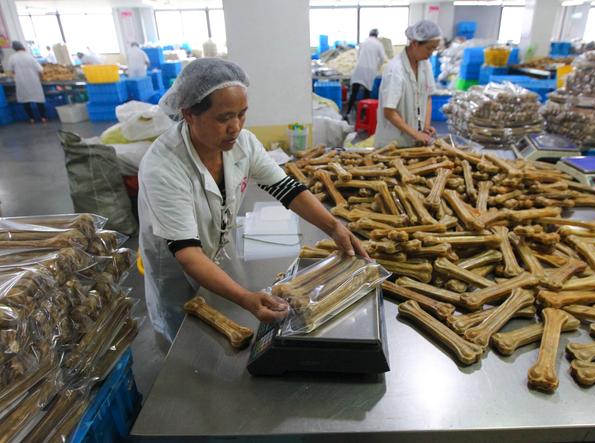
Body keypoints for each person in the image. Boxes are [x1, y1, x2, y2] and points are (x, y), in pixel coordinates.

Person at [138, 58, 367, 342]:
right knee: (187, 345)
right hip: (176, 273)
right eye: (224, 118)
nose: (235, 127)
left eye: (242, 114)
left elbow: (287, 189)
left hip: (212, 254)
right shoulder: (163, 167)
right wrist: (246, 298)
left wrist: (334, 227)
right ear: (189, 114)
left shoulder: (242, 144)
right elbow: (187, 254)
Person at [374, 20, 441, 148]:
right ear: (415, 43)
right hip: (394, 142)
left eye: (434, 49)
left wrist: (425, 127)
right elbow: (389, 112)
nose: (431, 53)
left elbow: (427, 97)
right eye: (428, 48)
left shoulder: (425, 64)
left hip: (414, 140)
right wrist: (416, 134)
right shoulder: (395, 70)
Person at [344, 29, 387, 121]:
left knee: (354, 93)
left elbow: (358, 55)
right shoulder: (378, 44)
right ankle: (363, 115)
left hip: (359, 69)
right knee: (366, 94)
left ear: (369, 34)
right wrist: (377, 66)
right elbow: (383, 58)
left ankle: (347, 113)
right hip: (370, 70)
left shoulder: (363, 43)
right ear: (376, 36)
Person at [7, 41, 46, 124]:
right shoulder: (29, 56)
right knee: (39, 99)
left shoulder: (12, 58)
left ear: (14, 49)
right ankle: (43, 118)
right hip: (34, 81)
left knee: (25, 100)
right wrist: (42, 78)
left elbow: (10, 70)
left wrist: (14, 74)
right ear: (23, 47)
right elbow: (40, 69)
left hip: (21, 82)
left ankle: (31, 119)